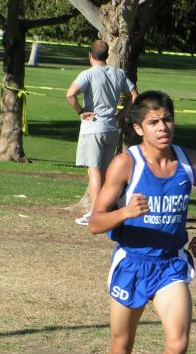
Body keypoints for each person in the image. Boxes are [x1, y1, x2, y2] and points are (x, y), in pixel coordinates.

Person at [88, 90, 196, 354]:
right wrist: (125, 212)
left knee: (178, 343)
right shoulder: (125, 164)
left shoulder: (192, 162)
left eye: (167, 119)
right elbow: (95, 222)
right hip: (132, 264)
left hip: (171, 264)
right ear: (139, 128)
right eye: (154, 122)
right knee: (120, 349)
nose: (163, 127)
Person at [66, 39, 138, 225]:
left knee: (94, 171)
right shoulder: (119, 73)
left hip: (93, 128)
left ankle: (97, 213)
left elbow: (70, 94)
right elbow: (134, 96)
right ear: (107, 55)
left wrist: (81, 111)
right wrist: (123, 113)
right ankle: (107, 209)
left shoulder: (88, 74)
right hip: (112, 129)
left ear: (89, 55)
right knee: (105, 172)